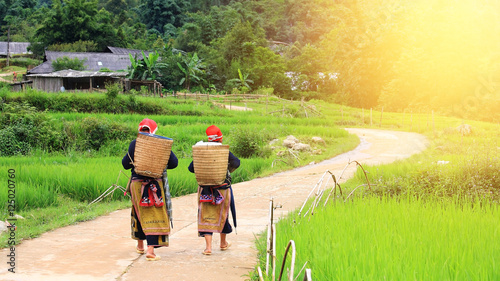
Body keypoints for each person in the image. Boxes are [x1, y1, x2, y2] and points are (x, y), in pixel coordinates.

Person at [122, 118, 178, 261]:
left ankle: (140, 245)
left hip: (136, 185)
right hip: (154, 186)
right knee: (154, 215)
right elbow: (173, 163)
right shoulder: (161, 144)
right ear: (153, 130)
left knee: (139, 212)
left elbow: (125, 164)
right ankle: (150, 251)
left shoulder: (135, 144)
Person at [188, 125, 240, 255]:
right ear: (220, 138)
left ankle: (208, 248)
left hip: (205, 189)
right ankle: (223, 243)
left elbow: (191, 168)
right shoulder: (223, 151)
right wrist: (224, 169)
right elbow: (236, 162)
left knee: (206, 216)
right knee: (223, 215)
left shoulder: (202, 150)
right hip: (222, 189)